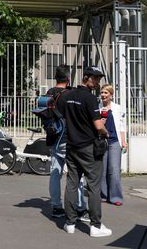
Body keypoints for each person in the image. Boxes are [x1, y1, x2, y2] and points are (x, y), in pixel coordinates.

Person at [60, 65, 111, 238]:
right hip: (88, 147)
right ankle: (96, 225)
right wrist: (106, 132)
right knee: (93, 186)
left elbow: (58, 113)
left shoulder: (68, 96)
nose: (97, 82)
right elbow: (98, 125)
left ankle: (70, 223)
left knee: (72, 183)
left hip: (71, 146)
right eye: (95, 78)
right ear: (86, 77)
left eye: (99, 78)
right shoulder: (90, 98)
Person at [46, 65, 87, 220]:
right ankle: (80, 207)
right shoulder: (69, 94)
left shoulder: (49, 93)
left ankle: (56, 206)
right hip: (69, 138)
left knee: (55, 173)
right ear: (68, 78)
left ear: (56, 77)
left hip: (53, 137)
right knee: (77, 174)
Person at [99, 84, 127, 206]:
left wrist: (124, 141)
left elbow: (121, 125)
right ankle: (104, 195)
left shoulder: (117, 108)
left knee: (114, 170)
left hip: (115, 141)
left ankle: (116, 197)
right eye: (102, 93)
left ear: (111, 95)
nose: (103, 95)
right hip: (102, 141)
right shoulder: (98, 108)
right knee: (102, 170)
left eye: (106, 93)